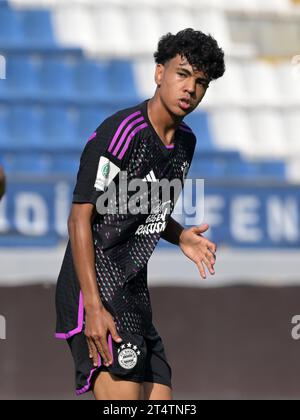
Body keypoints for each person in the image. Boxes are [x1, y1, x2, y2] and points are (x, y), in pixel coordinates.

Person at [55, 28, 225, 400]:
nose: (190, 89)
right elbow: (79, 218)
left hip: (134, 296)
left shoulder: (185, 143)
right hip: (95, 290)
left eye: (201, 82)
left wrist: (179, 234)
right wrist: (95, 309)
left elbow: (143, 207)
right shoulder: (121, 132)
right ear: (159, 73)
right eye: (182, 74)